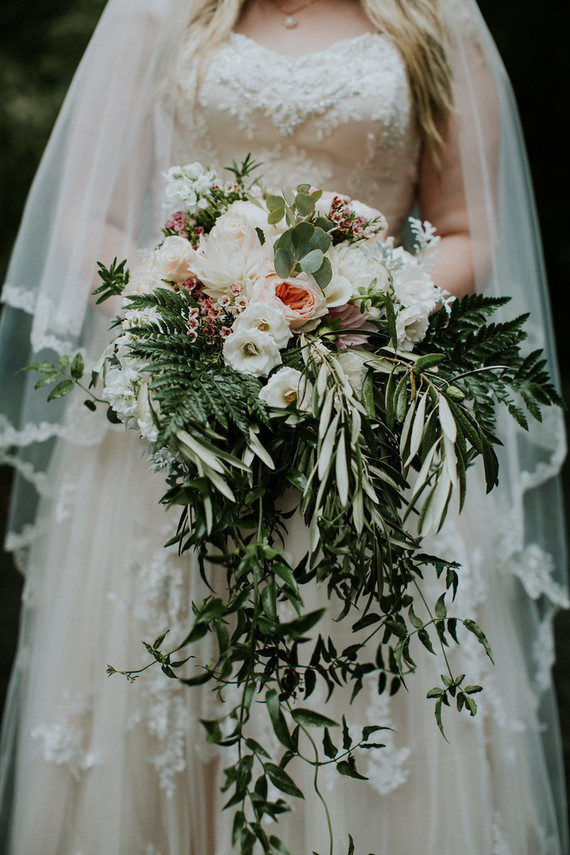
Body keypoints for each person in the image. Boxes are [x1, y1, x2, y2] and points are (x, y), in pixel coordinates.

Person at [0, 0, 567, 852]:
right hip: (180, 418)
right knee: (167, 696)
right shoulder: (158, 14)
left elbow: (465, 228)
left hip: (369, 423)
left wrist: (365, 315)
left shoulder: (434, 18)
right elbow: (94, 218)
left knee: (363, 693)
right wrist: (187, 318)